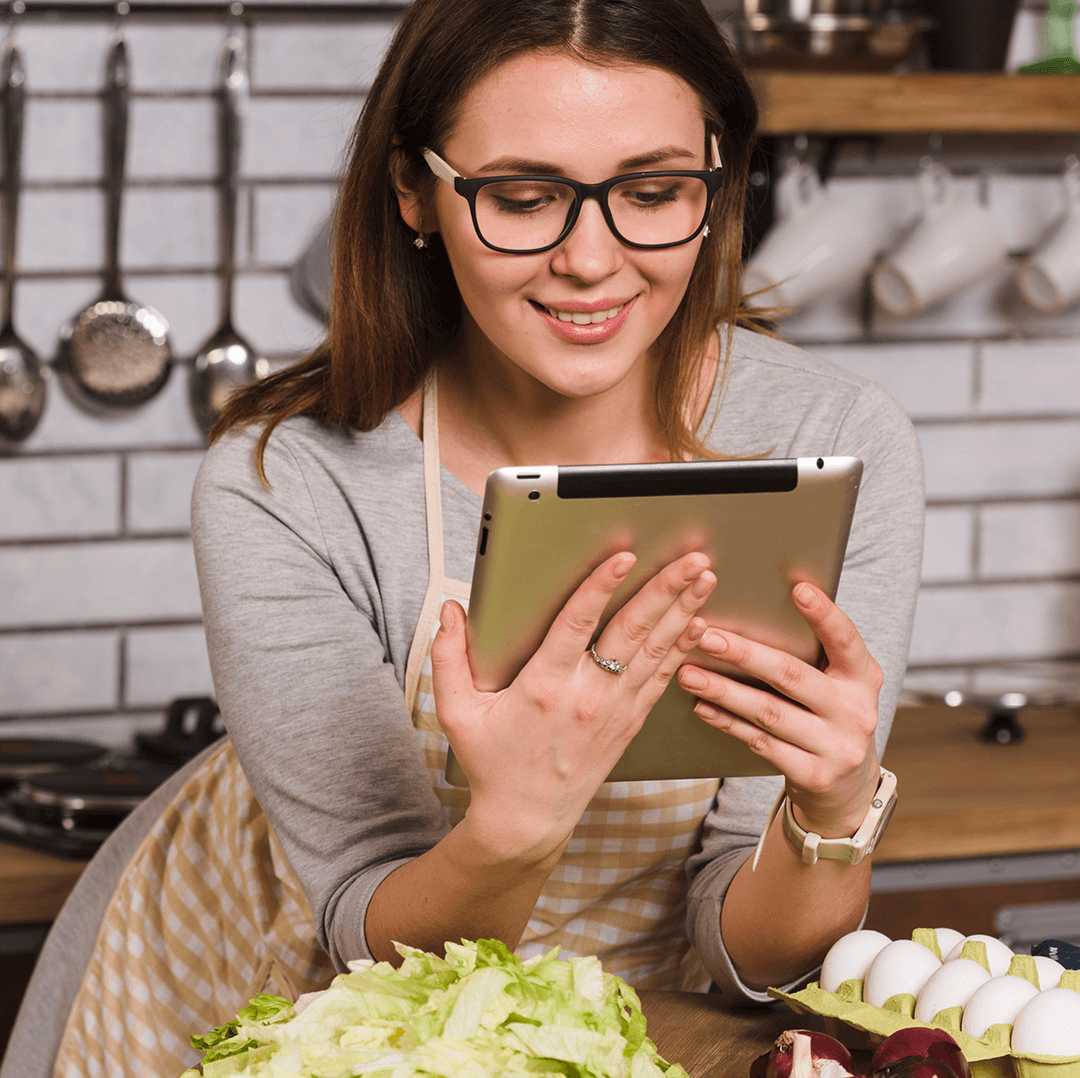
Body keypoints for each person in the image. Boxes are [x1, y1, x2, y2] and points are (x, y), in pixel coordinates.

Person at [1, 1, 923, 1075]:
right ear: (415, 192)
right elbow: (362, 929)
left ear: (719, 186)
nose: (593, 258)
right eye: (524, 198)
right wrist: (517, 823)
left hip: (635, 1025)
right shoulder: (288, 482)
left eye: (655, 192)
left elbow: (740, 950)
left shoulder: (829, 444)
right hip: (305, 1001)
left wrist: (831, 807)